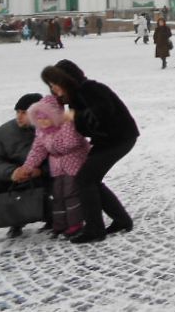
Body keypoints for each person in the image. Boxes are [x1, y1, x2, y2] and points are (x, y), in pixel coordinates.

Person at [40, 60, 139, 244]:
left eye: (55, 85)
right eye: (51, 87)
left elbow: (102, 115)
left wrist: (78, 118)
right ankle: (121, 220)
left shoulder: (89, 89)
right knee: (90, 179)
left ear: (66, 80)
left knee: (85, 179)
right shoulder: (75, 97)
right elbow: (85, 127)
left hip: (120, 139)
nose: (54, 90)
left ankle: (95, 229)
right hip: (108, 140)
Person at [13, 95, 90, 238]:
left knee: (70, 193)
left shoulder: (68, 124)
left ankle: (75, 224)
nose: (42, 122)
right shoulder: (41, 131)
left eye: (46, 118)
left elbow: (70, 144)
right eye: (39, 119)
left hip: (74, 162)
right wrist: (27, 167)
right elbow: (37, 150)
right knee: (58, 194)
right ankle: (60, 224)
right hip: (57, 166)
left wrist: (67, 124)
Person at [0, 93, 46, 237]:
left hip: (44, 178)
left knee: (56, 193)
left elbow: (66, 158)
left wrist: (40, 171)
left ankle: (53, 218)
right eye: (17, 112)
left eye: (24, 113)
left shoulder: (52, 129)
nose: (19, 117)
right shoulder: (6, 131)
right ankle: (16, 219)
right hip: (16, 178)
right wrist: (12, 172)